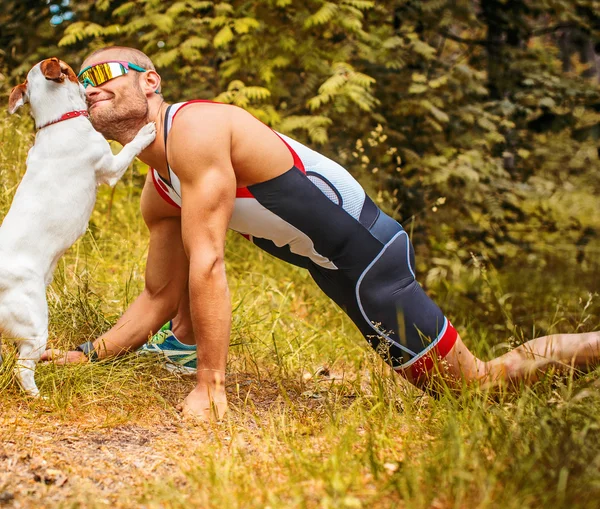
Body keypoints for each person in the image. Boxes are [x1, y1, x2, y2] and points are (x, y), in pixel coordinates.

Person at [42, 46, 600, 420]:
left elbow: (209, 264)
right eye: (80, 81)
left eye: (102, 74)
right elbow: (161, 293)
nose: (88, 86)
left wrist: (212, 387)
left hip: (371, 263)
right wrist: (91, 354)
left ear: (151, 81)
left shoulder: (196, 128)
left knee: (477, 387)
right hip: (335, 273)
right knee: (471, 389)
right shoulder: (159, 186)